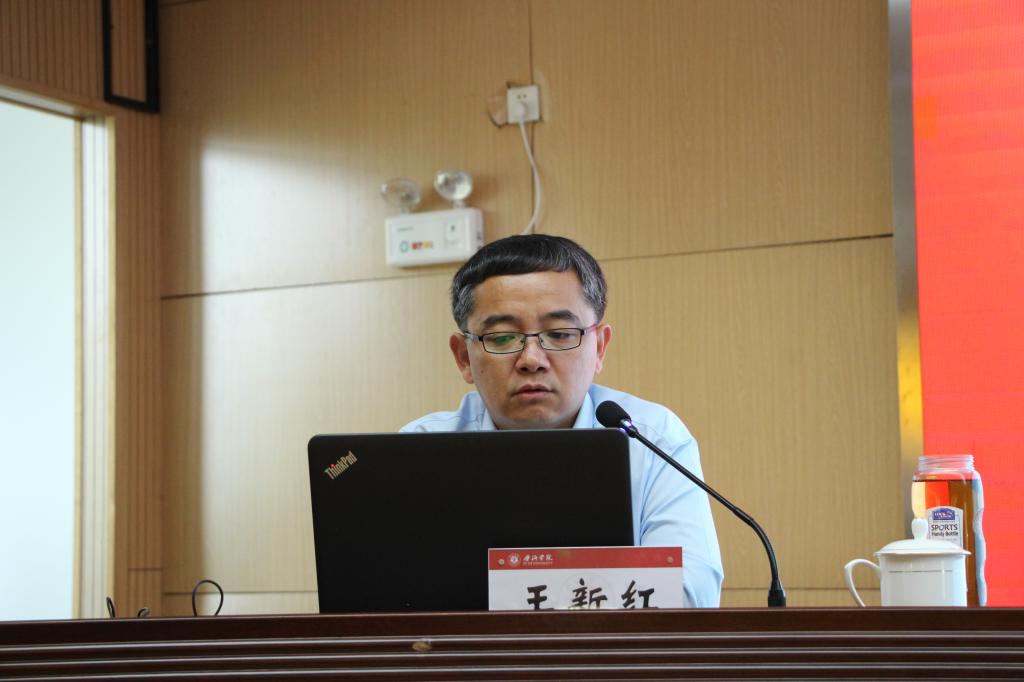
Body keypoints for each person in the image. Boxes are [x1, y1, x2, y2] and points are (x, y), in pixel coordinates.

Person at [402, 234, 724, 607]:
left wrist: (511, 597)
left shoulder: (650, 438)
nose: (531, 359)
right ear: (463, 357)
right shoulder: (418, 450)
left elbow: (691, 593)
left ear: (599, 347)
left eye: (559, 334)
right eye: (502, 337)